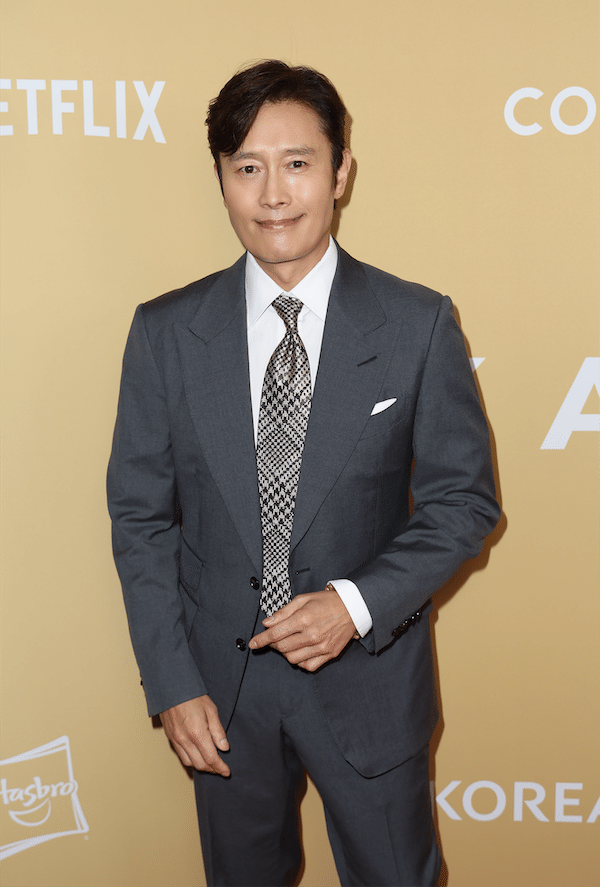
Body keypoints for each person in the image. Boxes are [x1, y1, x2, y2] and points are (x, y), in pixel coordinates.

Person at [107, 60, 500, 887]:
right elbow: (140, 519)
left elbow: (464, 503)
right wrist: (172, 681)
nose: (274, 194)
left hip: (372, 682)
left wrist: (354, 605)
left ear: (340, 172)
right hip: (220, 694)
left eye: (297, 163)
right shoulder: (166, 333)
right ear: (222, 180)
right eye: (247, 168)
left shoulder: (418, 323)